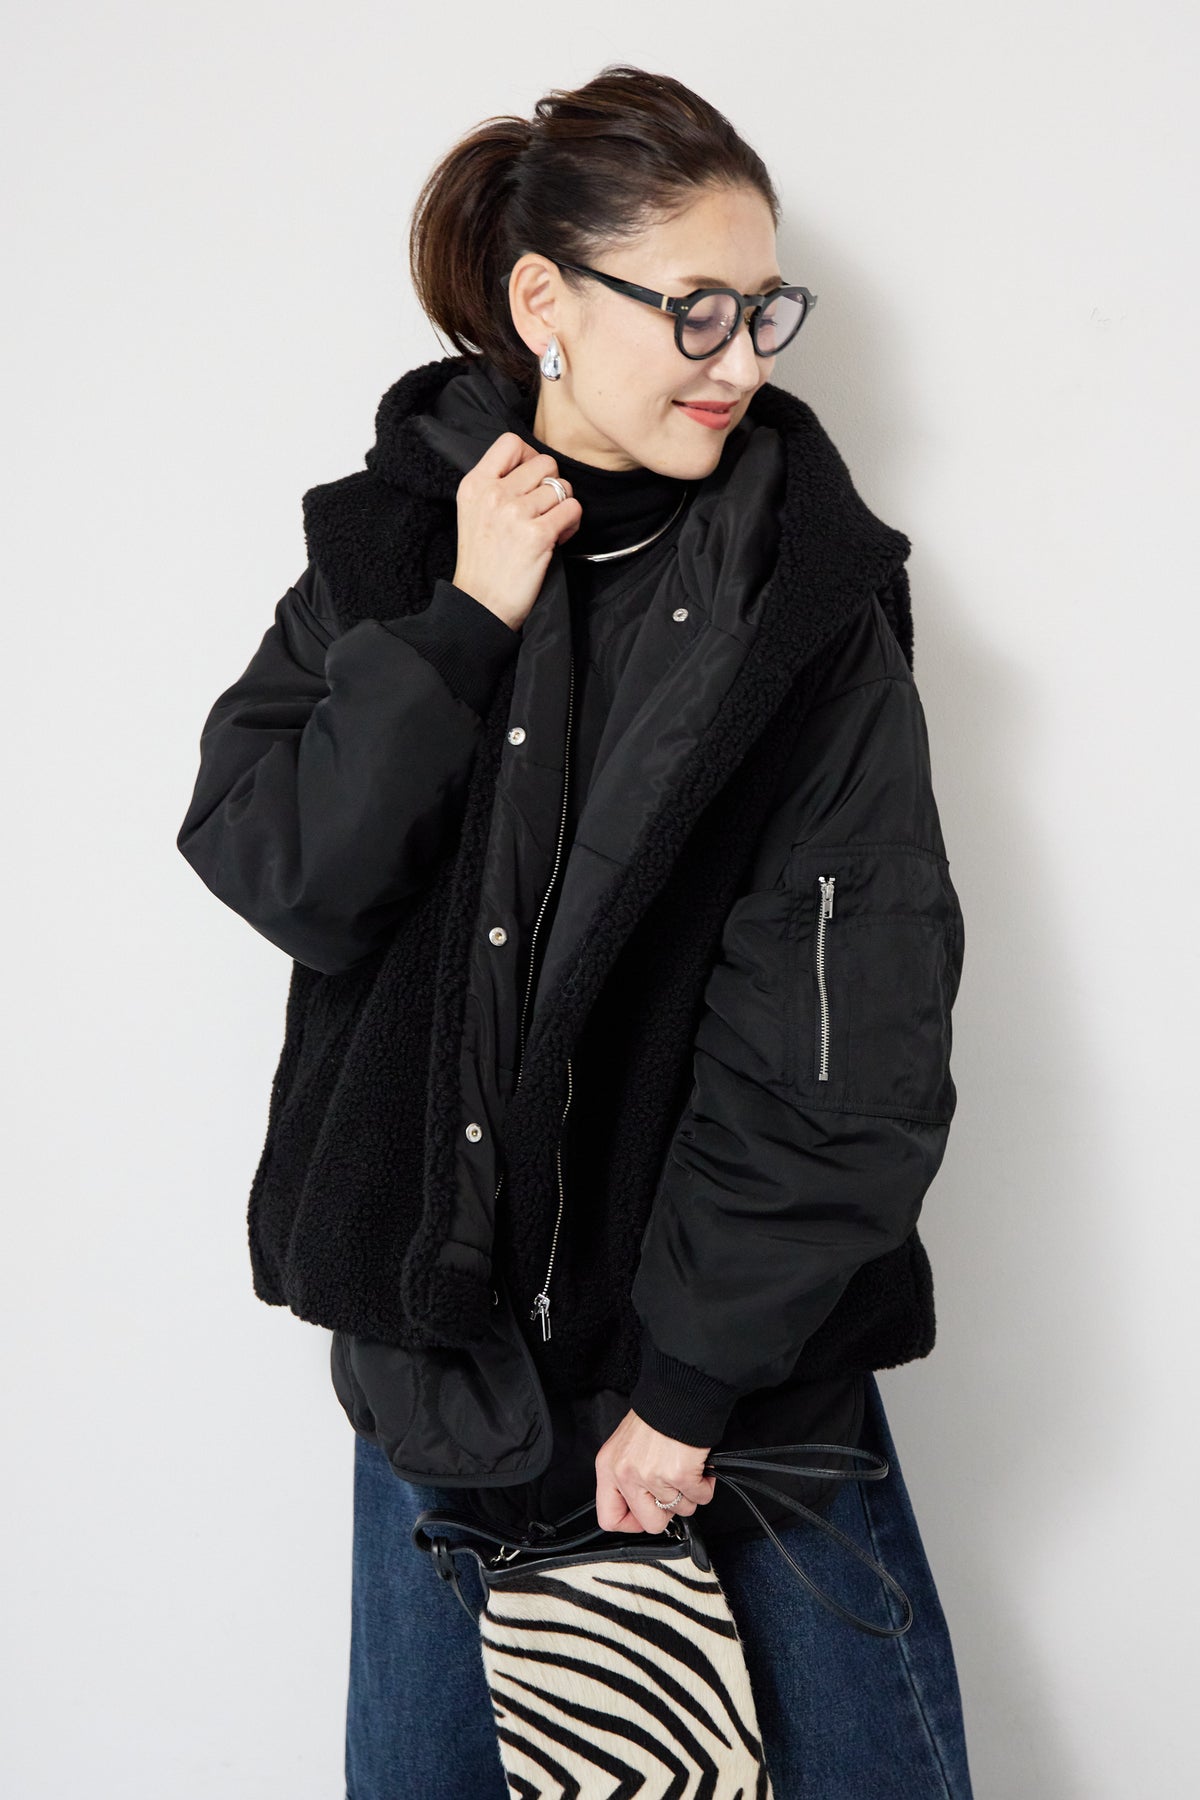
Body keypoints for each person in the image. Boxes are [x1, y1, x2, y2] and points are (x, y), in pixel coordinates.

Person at [177, 61, 974, 1800]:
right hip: (447, 1389)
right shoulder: (393, 551)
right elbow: (285, 871)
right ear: (544, 300)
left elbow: (850, 1032)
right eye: (695, 308)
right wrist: (465, 624)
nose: (740, 359)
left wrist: (687, 1389)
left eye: (763, 308)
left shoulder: (805, 606)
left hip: (737, 1405)